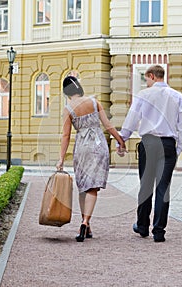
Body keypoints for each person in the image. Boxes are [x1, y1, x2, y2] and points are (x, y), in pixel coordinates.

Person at [117, 65, 182, 242]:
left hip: (148, 143)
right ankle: (159, 231)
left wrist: (122, 140)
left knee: (145, 186)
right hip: (168, 145)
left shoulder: (144, 95)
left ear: (152, 76)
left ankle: (142, 226)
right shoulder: (177, 96)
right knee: (163, 189)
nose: (146, 83)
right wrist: (177, 148)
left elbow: (132, 119)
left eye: (147, 79)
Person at [57, 76, 126, 242]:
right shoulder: (94, 102)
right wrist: (120, 141)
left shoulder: (68, 109)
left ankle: (85, 223)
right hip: (98, 145)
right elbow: (108, 125)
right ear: (79, 87)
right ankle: (86, 222)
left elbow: (66, 135)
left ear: (66, 92)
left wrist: (61, 159)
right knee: (92, 187)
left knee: (83, 186)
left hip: (81, 147)